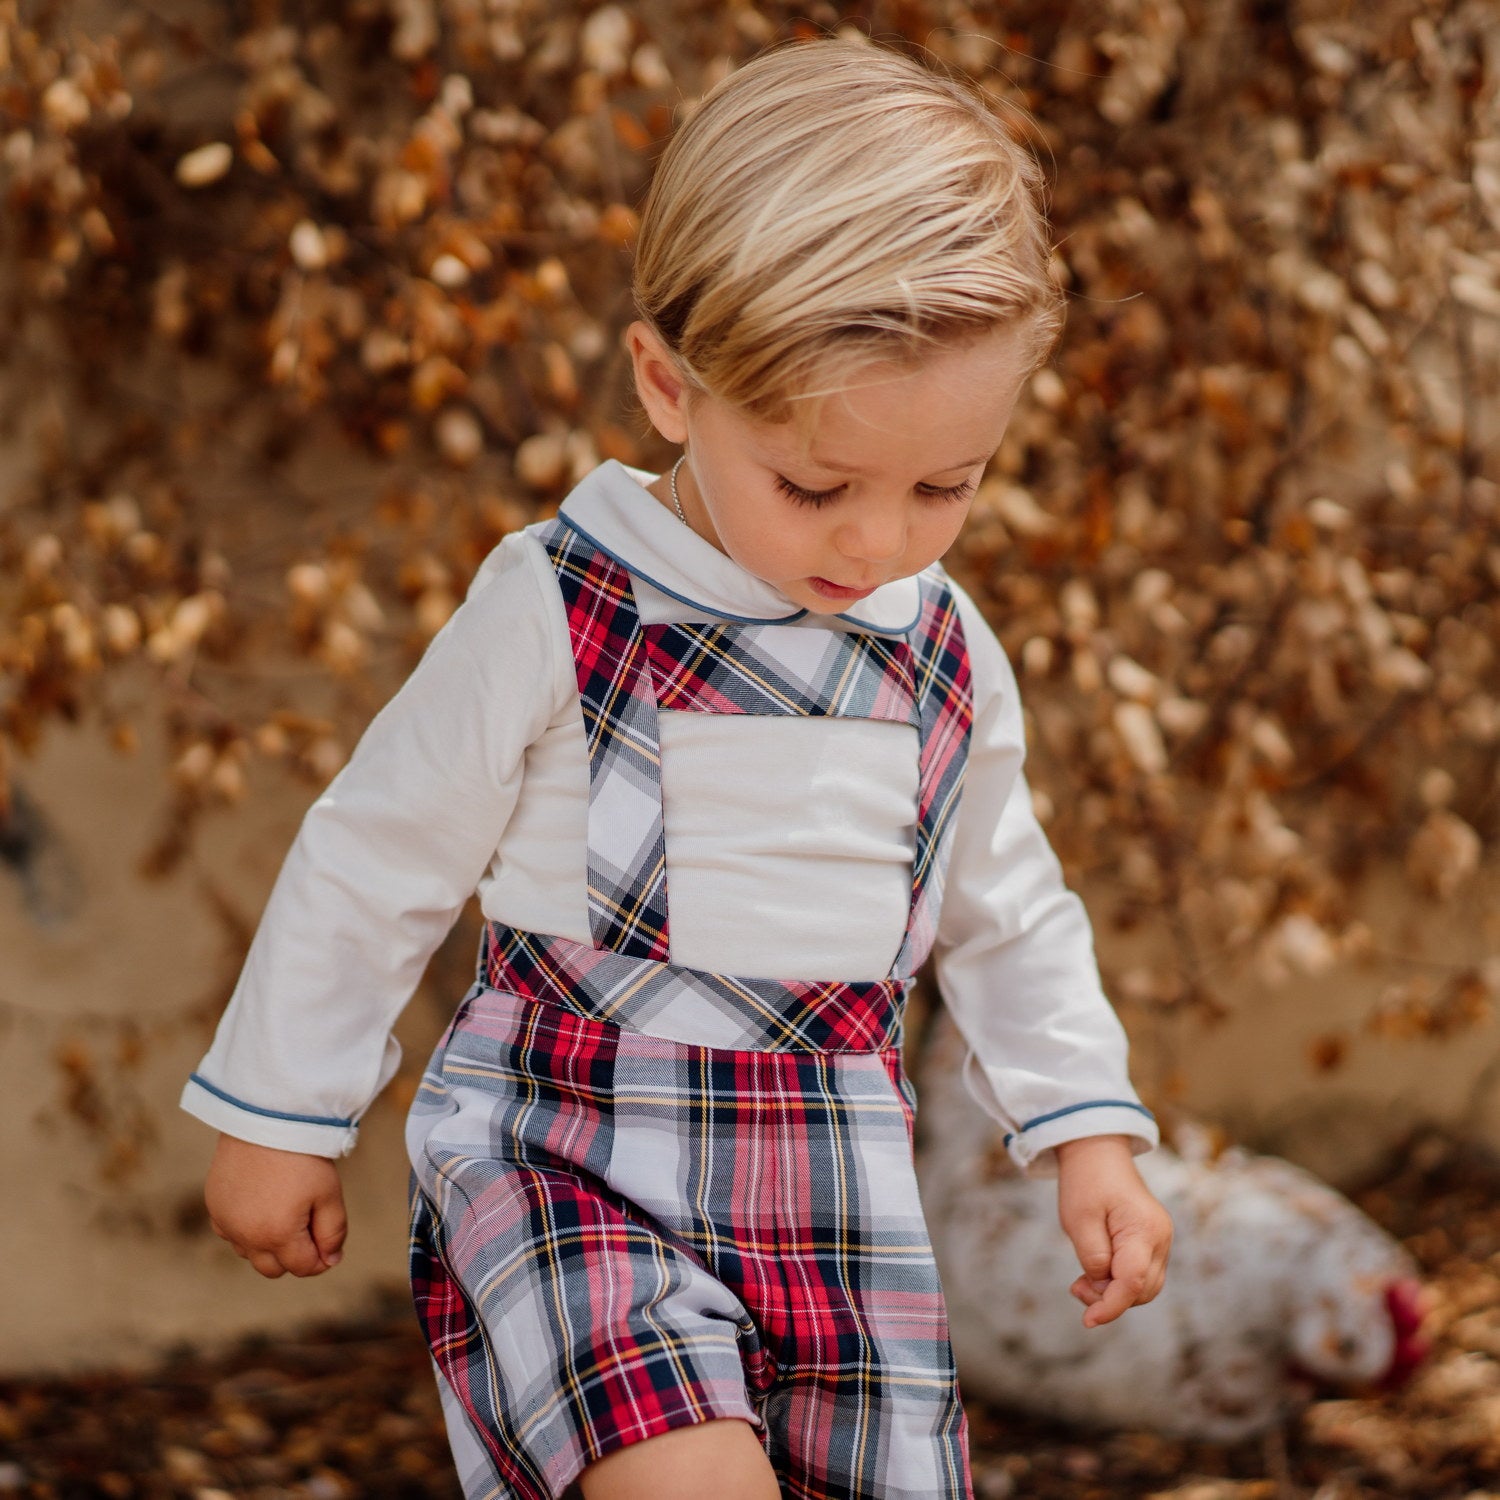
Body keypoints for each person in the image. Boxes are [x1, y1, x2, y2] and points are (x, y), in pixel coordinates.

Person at [183, 36, 1173, 1500]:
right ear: (667, 383)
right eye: (815, 485)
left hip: (836, 1193)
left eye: (943, 486)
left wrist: (1084, 1128)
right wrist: (280, 1108)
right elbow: (380, 849)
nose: (876, 541)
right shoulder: (562, 603)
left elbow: (1008, 909)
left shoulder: (942, 650)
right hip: (570, 1159)